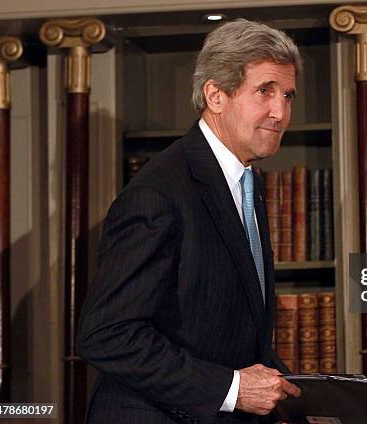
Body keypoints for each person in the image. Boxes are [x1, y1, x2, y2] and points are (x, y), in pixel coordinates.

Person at [77, 19, 302, 424]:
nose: (280, 111)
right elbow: (107, 335)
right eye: (265, 91)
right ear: (215, 95)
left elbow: (232, 332)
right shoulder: (159, 192)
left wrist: (317, 401)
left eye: (287, 95)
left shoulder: (245, 181)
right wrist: (231, 388)